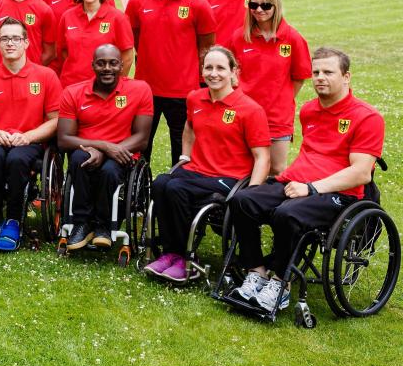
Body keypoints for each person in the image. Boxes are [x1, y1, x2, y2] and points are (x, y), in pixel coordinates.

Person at [226, 48, 384, 313]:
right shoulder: (309, 110)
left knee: (287, 215)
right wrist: (299, 183)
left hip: (337, 193)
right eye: (316, 72)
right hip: (296, 183)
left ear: (347, 77)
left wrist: (311, 188)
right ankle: (256, 272)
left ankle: (280, 284)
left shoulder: (367, 117)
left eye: (328, 72)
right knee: (242, 200)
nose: (320, 77)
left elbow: (361, 173)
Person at [145, 46, 270, 283]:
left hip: (228, 177)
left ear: (234, 72)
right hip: (197, 170)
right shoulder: (195, 98)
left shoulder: (250, 109)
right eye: (208, 67)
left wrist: (252, 193)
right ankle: (171, 253)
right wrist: (184, 156)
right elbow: (189, 127)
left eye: (221, 68)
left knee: (175, 188)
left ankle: (185, 259)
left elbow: (262, 156)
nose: (214, 73)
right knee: (161, 182)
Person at [0, 16, 62, 250]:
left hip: (29, 139)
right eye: (5, 39)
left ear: (26, 43)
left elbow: (55, 120)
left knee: (18, 159)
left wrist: (29, 136)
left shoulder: (45, 76)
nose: (10, 44)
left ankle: (13, 220)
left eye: (16, 38)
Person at [124, 0, 216, 165]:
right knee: (140, 146)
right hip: (146, 90)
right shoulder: (138, 1)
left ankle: (176, 195)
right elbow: (133, 38)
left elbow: (206, 46)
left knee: (182, 150)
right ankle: (139, 196)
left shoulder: (197, 3)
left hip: (184, 91)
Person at [56, 45, 154, 250]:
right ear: (93, 65)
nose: (107, 68)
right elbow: (64, 139)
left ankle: (103, 226)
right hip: (87, 151)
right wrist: (103, 147)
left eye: (113, 63)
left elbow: (142, 138)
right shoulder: (73, 92)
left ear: (122, 66)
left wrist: (110, 151)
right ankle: (81, 224)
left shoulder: (140, 89)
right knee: (78, 160)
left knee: (109, 170)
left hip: (123, 152)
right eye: (101, 63)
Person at [229, 0, 311, 176]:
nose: (259, 10)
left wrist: (280, 97)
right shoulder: (239, 37)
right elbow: (231, 73)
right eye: (254, 5)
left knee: (276, 169)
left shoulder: (292, 38)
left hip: (277, 116)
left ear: (276, 6)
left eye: (266, 6)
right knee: (244, 168)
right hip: (245, 113)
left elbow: (299, 77)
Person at [54, 0, 134, 87]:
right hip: (71, 86)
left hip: (103, 88)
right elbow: (63, 52)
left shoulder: (118, 18)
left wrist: (114, 84)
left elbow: (127, 58)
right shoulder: (67, 16)